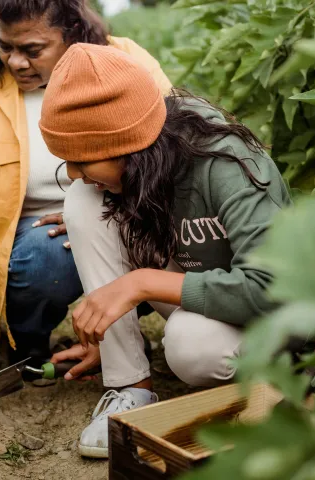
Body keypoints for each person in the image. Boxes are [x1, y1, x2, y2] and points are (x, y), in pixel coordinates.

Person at [39, 44, 292, 458]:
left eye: (82, 160)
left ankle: (279, 380)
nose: (72, 173)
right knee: (81, 204)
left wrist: (142, 283)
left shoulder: (226, 164)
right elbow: (99, 205)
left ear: (128, 145)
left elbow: (272, 289)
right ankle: (130, 386)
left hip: (269, 318)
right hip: (204, 295)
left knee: (190, 346)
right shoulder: (140, 167)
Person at [0, 0, 171, 380]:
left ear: (71, 32)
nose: (16, 62)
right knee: (41, 261)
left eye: (32, 50)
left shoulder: (128, 64)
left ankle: (119, 335)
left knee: (147, 250)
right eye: (6, 46)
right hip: (37, 232)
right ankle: (27, 341)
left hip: (123, 214)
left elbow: (167, 156)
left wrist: (96, 217)